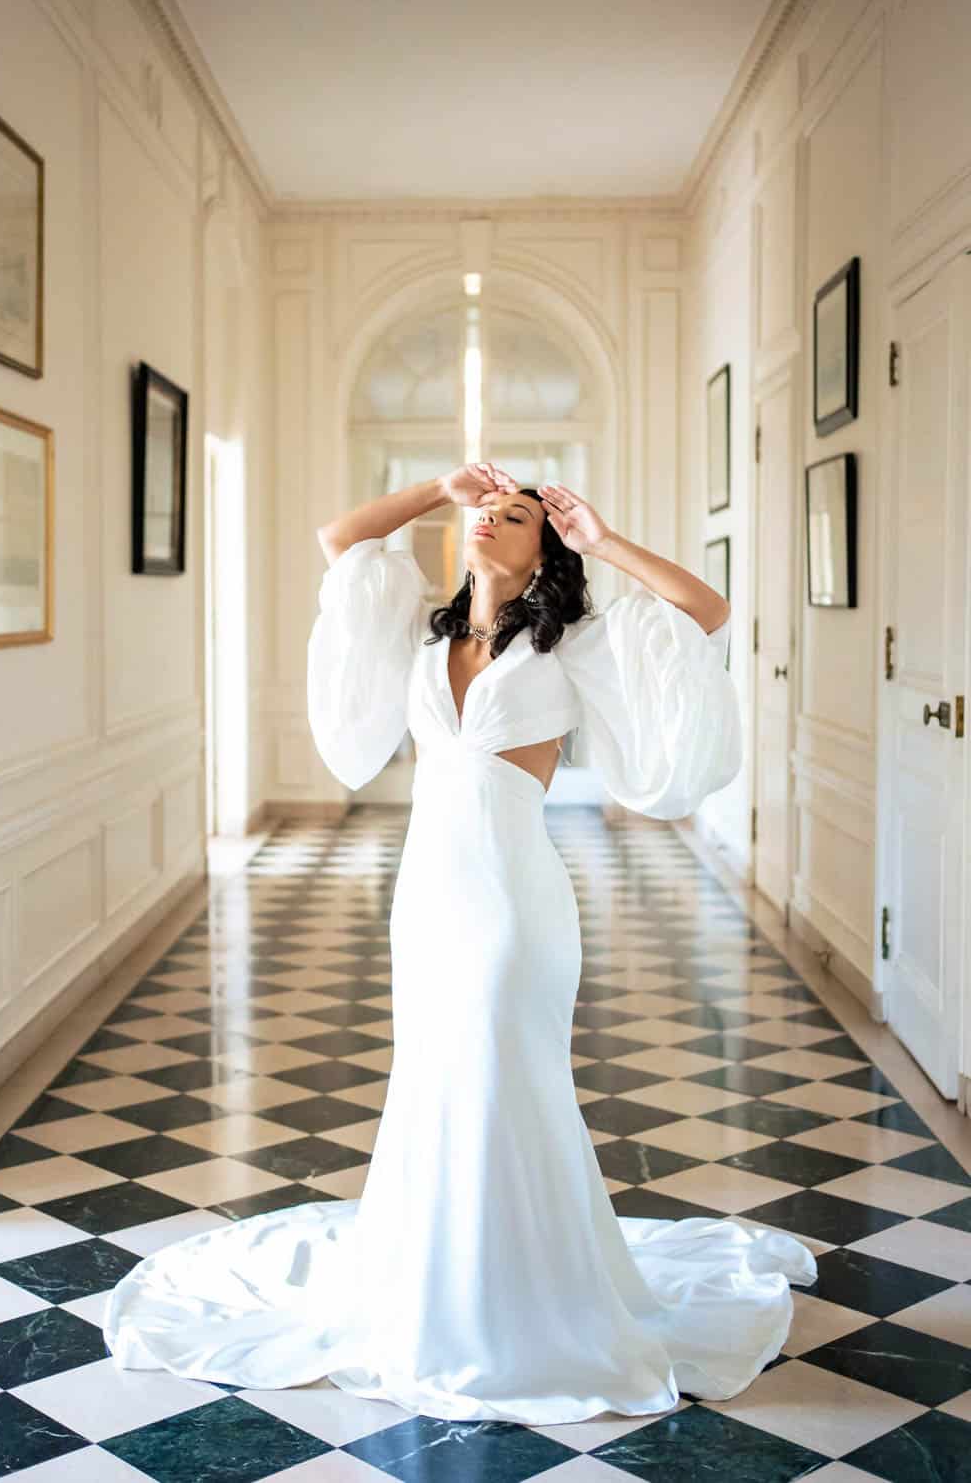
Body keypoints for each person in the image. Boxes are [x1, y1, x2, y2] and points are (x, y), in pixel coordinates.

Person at [103, 463, 818, 1425]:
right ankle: (434, 1285)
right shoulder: (426, 632)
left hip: (515, 897)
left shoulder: (573, 642)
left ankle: (520, 1306)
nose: (491, 517)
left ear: (544, 547)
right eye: (486, 508)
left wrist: (600, 539)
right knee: (437, 1077)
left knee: (499, 1067)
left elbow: (706, 610)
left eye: (515, 514)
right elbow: (341, 542)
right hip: (427, 892)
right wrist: (438, 491)